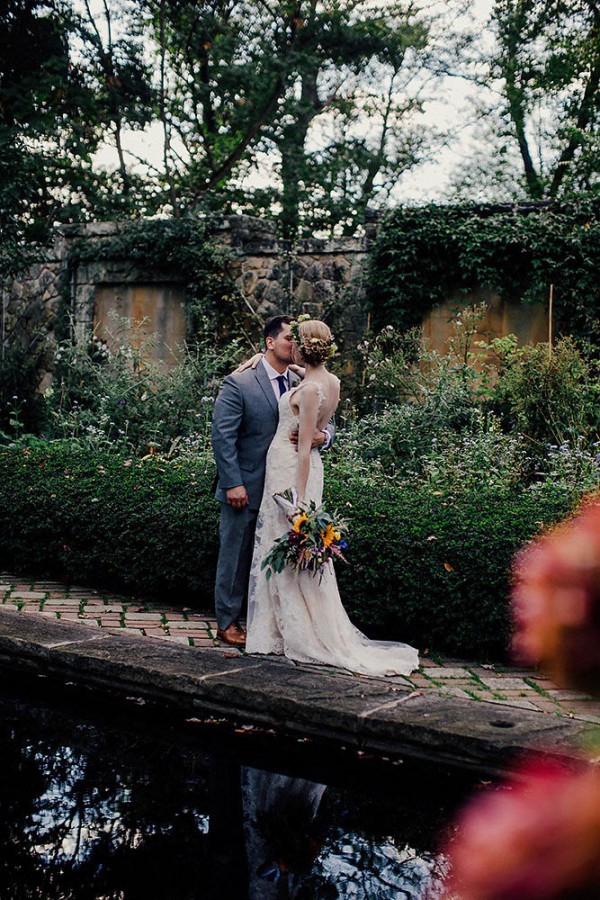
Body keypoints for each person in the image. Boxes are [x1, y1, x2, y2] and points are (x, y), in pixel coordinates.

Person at [246, 318, 419, 676]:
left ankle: (293, 633)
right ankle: (281, 626)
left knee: (285, 546)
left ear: (301, 346)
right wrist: (254, 360)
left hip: (293, 471)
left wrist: (298, 497)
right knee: (291, 547)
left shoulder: (308, 390)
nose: (290, 344)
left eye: (295, 340)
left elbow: (306, 446)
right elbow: (318, 415)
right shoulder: (331, 382)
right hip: (300, 467)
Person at [211, 315, 334, 647]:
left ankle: (270, 621)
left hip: (285, 485)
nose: (295, 344)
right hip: (247, 485)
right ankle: (227, 622)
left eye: (298, 339)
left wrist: (326, 436)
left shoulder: (300, 379)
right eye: (288, 339)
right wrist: (232, 482)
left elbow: (323, 416)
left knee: (273, 556)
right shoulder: (240, 382)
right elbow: (222, 437)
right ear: (269, 343)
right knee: (235, 555)